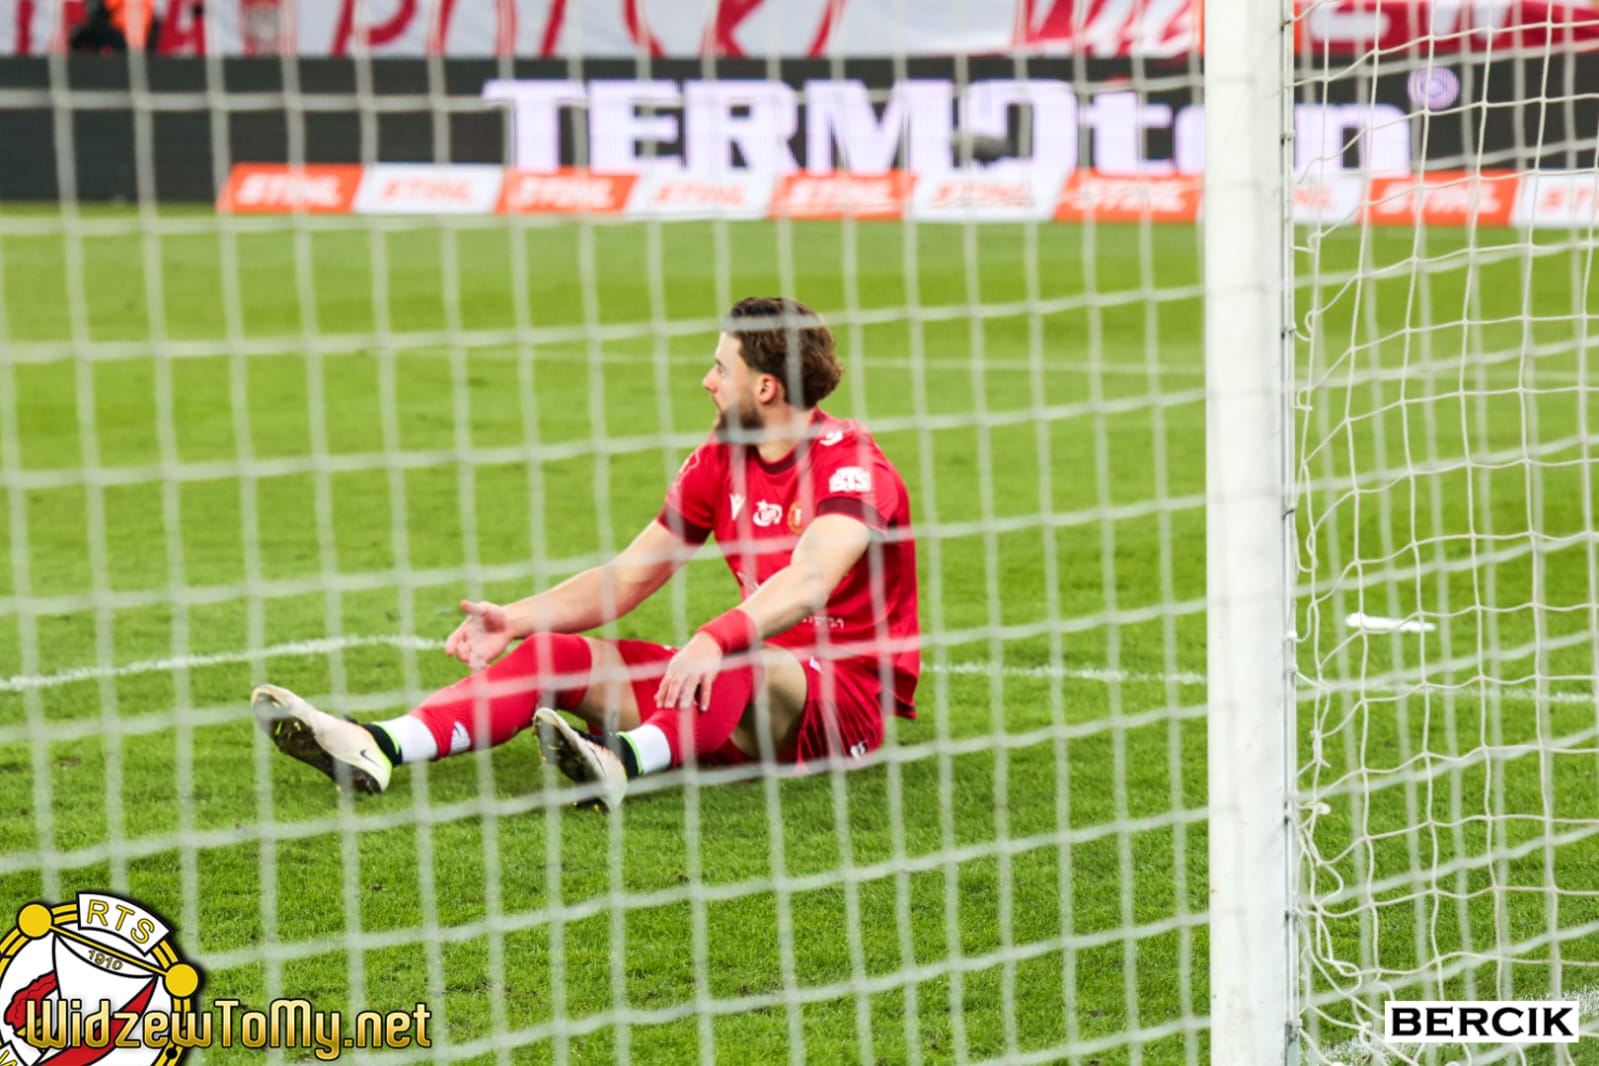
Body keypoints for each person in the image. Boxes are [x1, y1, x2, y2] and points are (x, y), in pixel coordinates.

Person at [253, 297, 920, 813]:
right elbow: (629, 576)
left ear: (766, 389)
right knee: (553, 656)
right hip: (732, 706)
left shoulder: (852, 466)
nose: (707, 380)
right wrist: (516, 618)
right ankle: (379, 744)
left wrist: (715, 640)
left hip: (841, 704)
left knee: (737, 654)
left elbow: (809, 579)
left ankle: (619, 762)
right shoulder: (723, 459)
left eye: (722, 367)